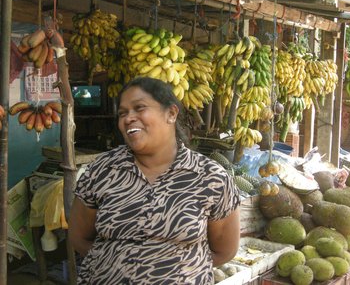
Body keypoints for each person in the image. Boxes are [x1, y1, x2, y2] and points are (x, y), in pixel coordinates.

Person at [69, 77, 240, 284]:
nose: (128, 118)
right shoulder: (102, 171)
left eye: (139, 108)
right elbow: (79, 237)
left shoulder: (211, 178)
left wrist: (175, 268)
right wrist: (113, 263)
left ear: (171, 113)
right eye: (122, 113)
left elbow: (225, 250)